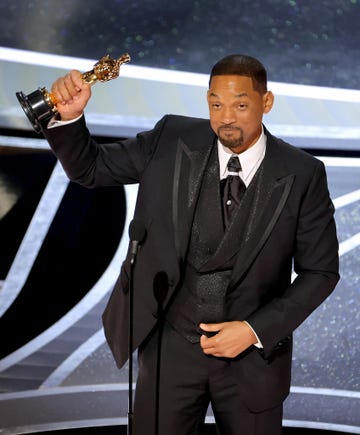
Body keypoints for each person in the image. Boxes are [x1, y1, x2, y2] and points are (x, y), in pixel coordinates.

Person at [43, 54, 339, 435]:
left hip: (252, 359)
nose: (226, 116)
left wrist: (253, 330)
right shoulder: (170, 139)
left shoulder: (302, 172)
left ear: (266, 103)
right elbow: (90, 168)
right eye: (216, 104)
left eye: (240, 104)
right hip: (170, 350)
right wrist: (69, 118)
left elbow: (321, 272)